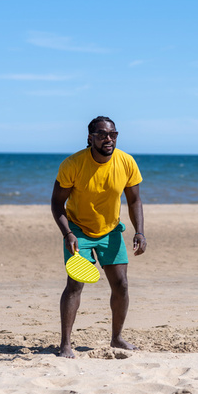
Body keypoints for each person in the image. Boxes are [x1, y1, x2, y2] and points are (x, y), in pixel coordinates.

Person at [51, 116, 146, 358]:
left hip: (111, 230)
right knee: (75, 284)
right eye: (103, 134)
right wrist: (68, 233)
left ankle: (116, 338)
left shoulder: (126, 162)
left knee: (121, 285)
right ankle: (66, 345)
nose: (109, 139)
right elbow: (57, 203)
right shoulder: (73, 164)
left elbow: (134, 200)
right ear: (90, 138)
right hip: (78, 230)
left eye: (113, 134)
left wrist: (140, 232)